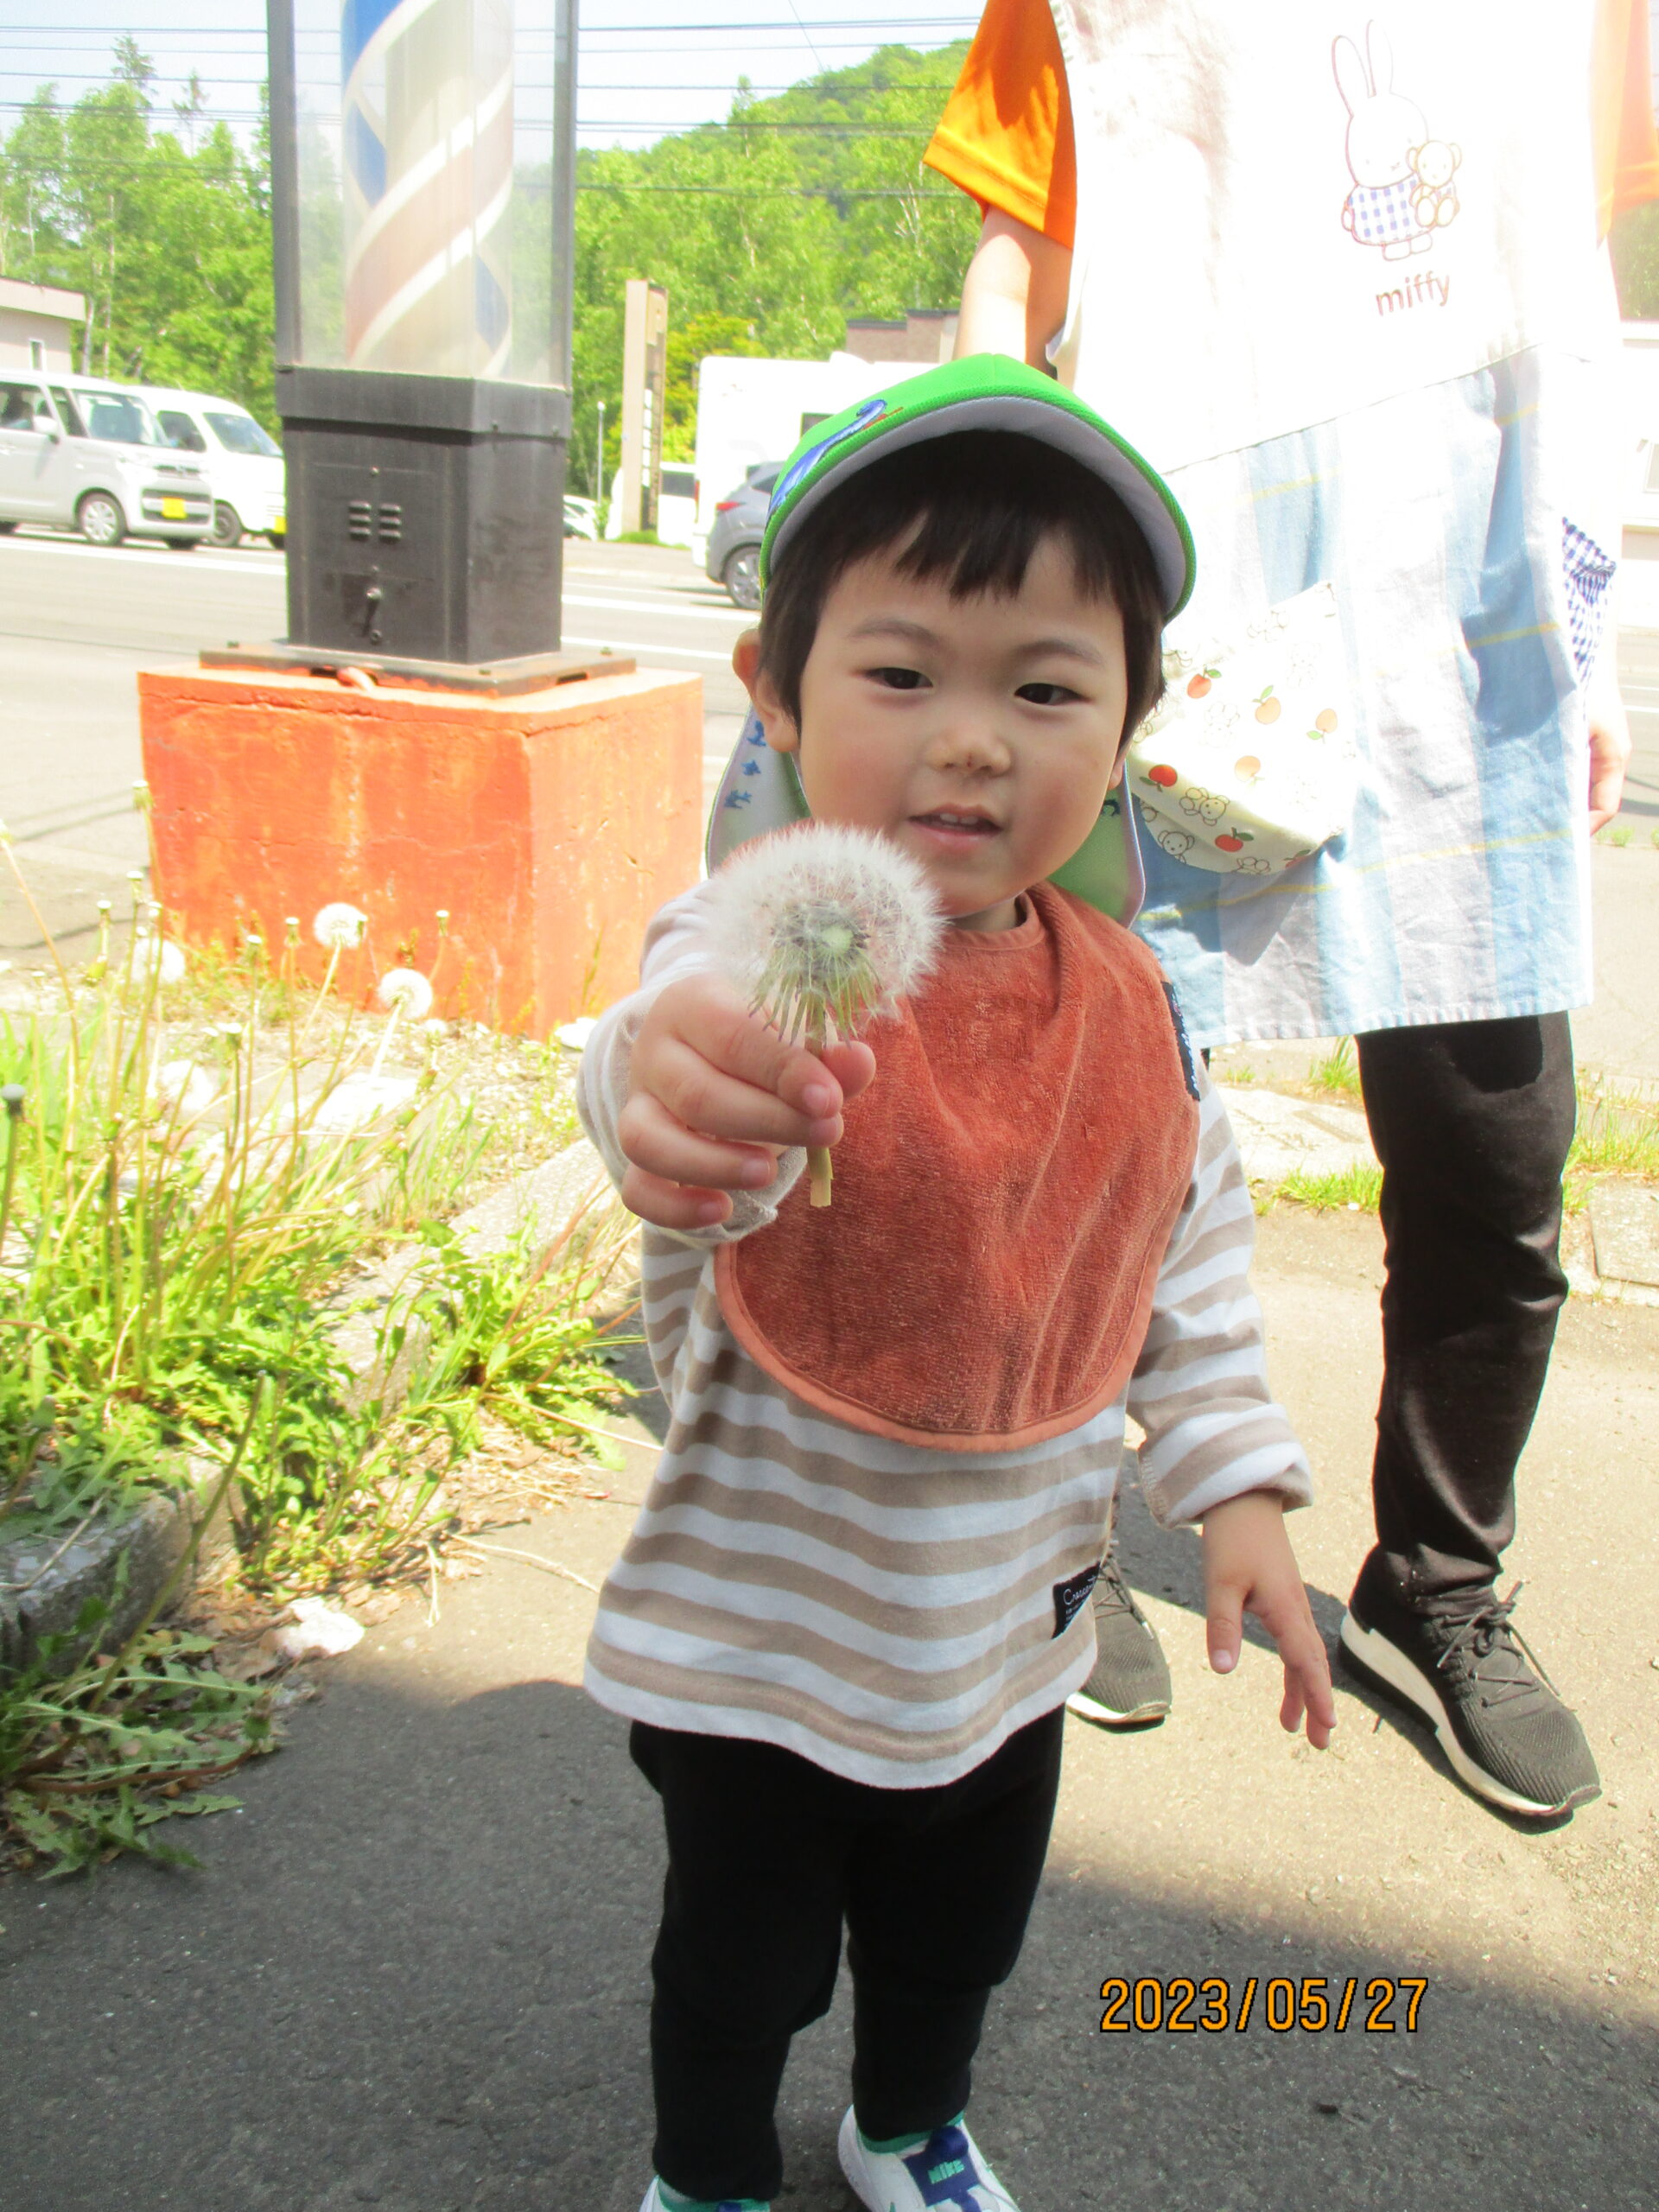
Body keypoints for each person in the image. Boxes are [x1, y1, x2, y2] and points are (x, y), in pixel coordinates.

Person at [577, 356, 1337, 2212]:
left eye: (1047, 686)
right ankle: (705, 2171)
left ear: (1132, 724)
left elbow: (1186, 1247)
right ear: (779, 689)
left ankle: (908, 2118)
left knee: (954, 1944)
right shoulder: (778, 943)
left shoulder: (1132, 1005)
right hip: (764, 1635)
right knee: (738, 1965)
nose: (976, 737)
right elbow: (653, 1043)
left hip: (1009, 1639)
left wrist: (1236, 1486)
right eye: (903, 672)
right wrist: (662, 1083)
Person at [924, 0, 1659, 1819]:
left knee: (1500, 1149)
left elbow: (1582, 272)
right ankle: (1054, 1527)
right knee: (1105, 1117)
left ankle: (1440, 1577)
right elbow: (1016, 247)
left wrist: (1595, 617)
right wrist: (1000, 547)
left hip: (1461, 594)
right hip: (1195, 568)